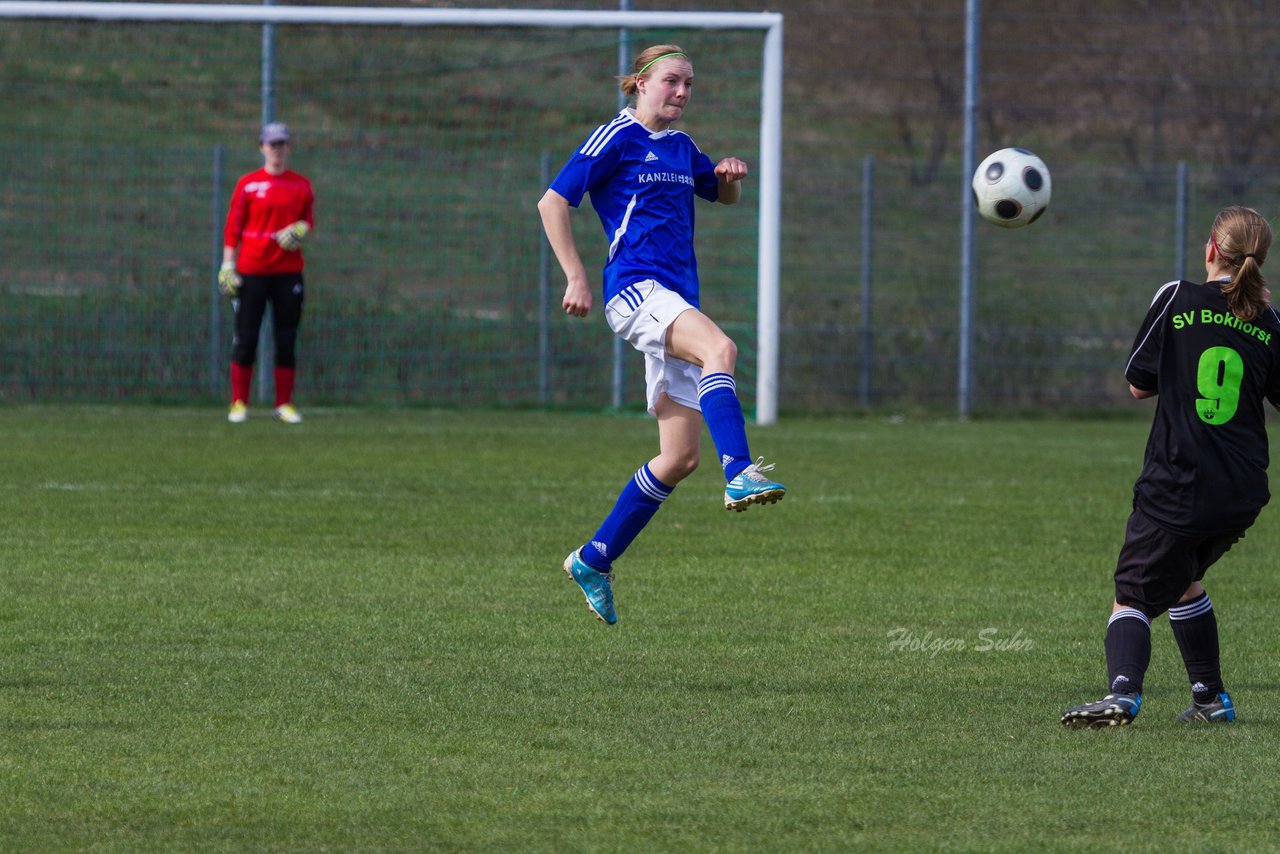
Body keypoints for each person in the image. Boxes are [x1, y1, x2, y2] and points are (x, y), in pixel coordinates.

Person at [537, 44, 787, 626]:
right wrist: (576, 276)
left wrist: (729, 177)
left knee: (678, 458)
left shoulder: (682, 147)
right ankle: (742, 473)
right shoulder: (614, 138)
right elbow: (552, 203)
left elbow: (720, 196)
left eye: (688, 84)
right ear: (640, 85)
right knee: (720, 348)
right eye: (672, 82)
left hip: (675, 300)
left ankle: (593, 560)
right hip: (634, 291)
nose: (681, 92)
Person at [1062, 206, 1280, 728]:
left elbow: (1138, 383)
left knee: (1131, 595)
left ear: (1211, 249)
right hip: (1241, 491)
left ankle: (1123, 693)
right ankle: (1211, 700)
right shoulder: (1269, 321)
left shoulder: (1177, 297)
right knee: (1184, 580)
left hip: (1179, 484)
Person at [219, 121, 315, 424]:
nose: (277, 150)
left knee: (286, 338)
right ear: (262, 147)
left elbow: (307, 219)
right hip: (252, 270)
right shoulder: (248, 184)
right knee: (245, 338)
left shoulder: (300, 184)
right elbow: (233, 227)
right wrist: (227, 264)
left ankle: (283, 404)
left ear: (289, 148)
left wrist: (301, 228)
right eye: (272, 144)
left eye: (282, 144)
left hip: (287, 272)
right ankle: (239, 402)